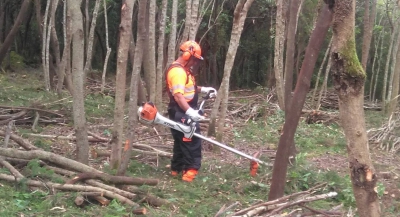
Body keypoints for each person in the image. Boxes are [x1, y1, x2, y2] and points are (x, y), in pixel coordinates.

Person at [166, 41, 217, 182]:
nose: (195, 63)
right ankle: (190, 171)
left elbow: (187, 87)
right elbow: (178, 95)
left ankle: (176, 169)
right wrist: (189, 111)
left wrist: (203, 89)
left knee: (181, 140)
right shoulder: (178, 72)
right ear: (188, 55)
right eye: (194, 59)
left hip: (181, 110)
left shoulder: (183, 70)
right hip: (181, 111)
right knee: (191, 140)